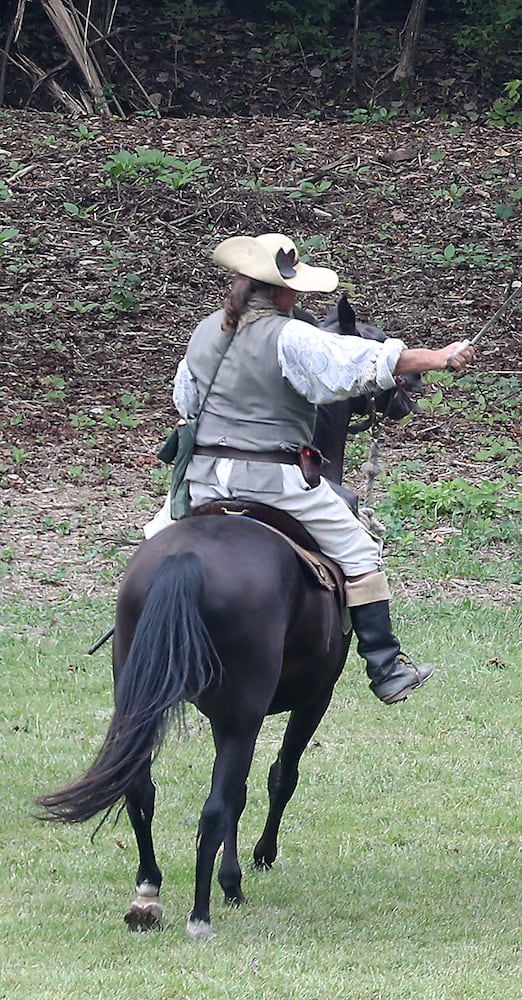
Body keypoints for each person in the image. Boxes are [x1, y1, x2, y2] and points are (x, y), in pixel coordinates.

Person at [144, 232, 478, 703]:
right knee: (360, 550)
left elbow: (185, 400)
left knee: (153, 546)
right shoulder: (290, 334)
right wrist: (441, 357)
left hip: (200, 482)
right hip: (272, 483)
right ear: (282, 291)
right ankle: (385, 666)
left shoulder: (205, 331)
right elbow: (359, 363)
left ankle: (135, 639)